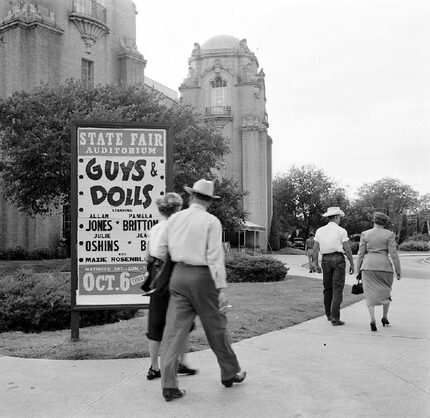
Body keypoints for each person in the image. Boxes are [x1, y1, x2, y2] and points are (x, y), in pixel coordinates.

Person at [159, 179, 246, 402]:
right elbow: (215, 256)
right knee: (216, 326)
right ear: (209, 200)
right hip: (203, 277)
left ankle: (169, 384)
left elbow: (160, 250)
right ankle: (230, 372)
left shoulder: (174, 218)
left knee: (174, 332)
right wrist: (221, 287)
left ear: (191, 197)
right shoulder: (211, 221)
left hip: (178, 276)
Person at [145, 193, 197, 380]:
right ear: (177, 209)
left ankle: (154, 367)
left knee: (156, 322)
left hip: (156, 274)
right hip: (174, 273)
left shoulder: (155, 228)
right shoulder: (179, 228)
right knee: (183, 318)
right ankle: (181, 362)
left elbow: (148, 256)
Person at [356, 212, 401, 332]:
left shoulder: (365, 234)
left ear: (374, 221)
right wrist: (398, 270)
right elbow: (394, 254)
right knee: (386, 292)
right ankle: (385, 317)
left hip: (368, 266)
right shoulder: (389, 234)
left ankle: (372, 319)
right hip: (385, 267)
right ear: (385, 222)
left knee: (369, 294)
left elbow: (361, 254)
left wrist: (357, 270)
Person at [313, 207, 354, 326]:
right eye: (339, 217)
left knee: (327, 288)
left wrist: (316, 264)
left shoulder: (319, 230)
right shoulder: (341, 231)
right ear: (336, 217)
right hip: (338, 259)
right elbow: (347, 249)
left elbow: (315, 249)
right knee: (337, 288)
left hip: (325, 259)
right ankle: (335, 317)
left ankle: (328, 314)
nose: (340, 219)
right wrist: (352, 263)